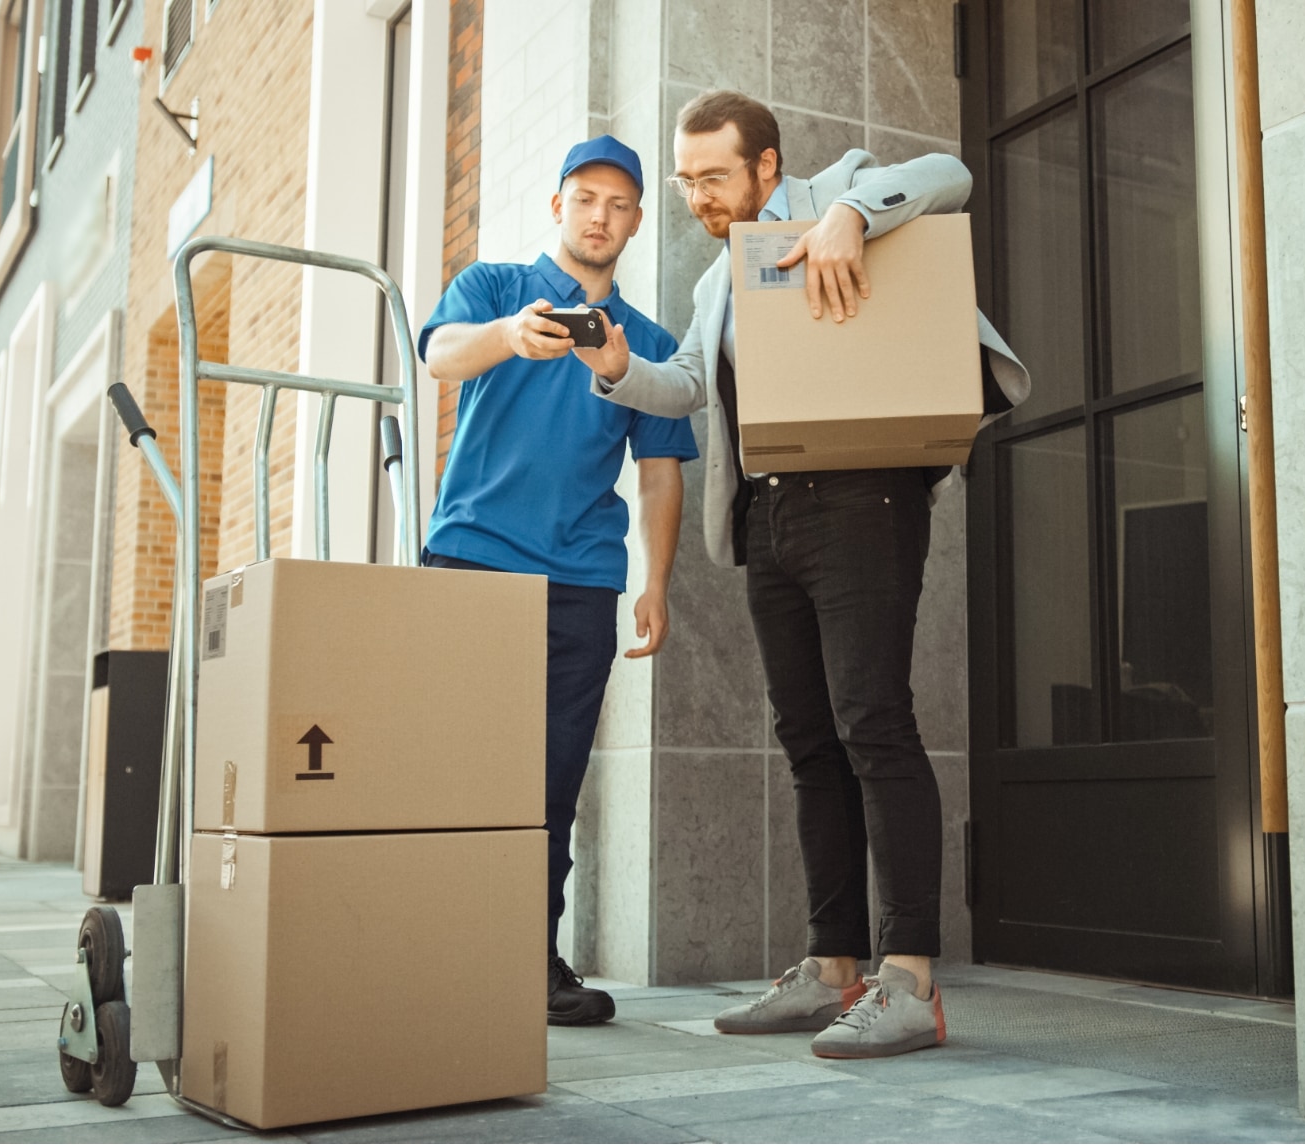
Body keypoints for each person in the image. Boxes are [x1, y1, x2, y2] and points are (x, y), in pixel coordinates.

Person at [576, 91, 1030, 1058]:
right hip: (769, 516)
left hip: (863, 499)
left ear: (767, 167)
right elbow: (685, 383)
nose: (697, 197)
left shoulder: (843, 189)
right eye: (686, 181)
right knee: (809, 742)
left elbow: (950, 174)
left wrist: (850, 217)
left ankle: (910, 980)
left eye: (713, 176)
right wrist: (617, 367)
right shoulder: (716, 280)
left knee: (873, 721)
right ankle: (833, 968)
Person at [418, 135, 698, 1027]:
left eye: (618, 204)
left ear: (637, 222)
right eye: (585, 198)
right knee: (451, 768)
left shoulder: (646, 342)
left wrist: (656, 581)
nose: (599, 216)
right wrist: (510, 336)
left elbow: (659, 473)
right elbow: (438, 355)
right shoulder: (495, 288)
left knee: (549, 784)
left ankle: (529, 962)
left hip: (579, 584)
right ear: (557, 206)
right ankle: (433, 951)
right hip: (470, 560)